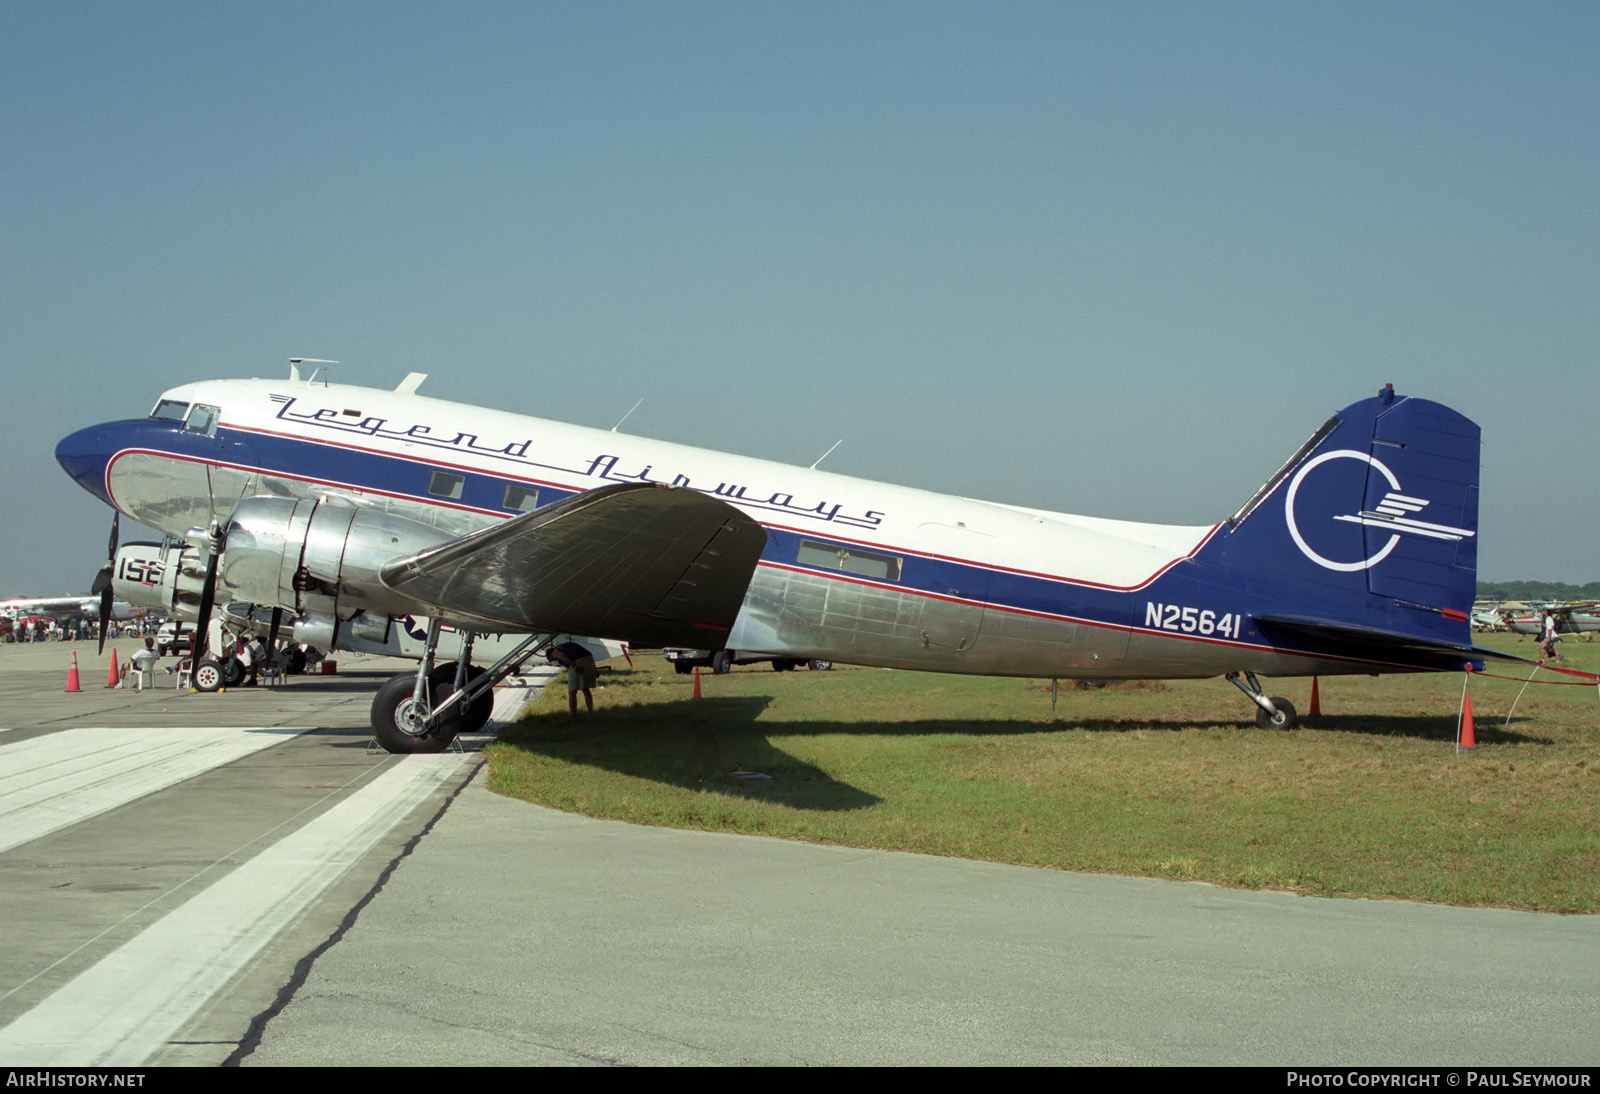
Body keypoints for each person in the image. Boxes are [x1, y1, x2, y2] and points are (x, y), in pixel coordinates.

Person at [546, 640, 598, 718]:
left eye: (552, 659)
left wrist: (574, 666)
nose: (554, 660)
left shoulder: (555, 652)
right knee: (585, 689)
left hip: (578, 661)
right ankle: (590, 713)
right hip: (589, 658)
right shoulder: (564, 647)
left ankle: (573, 715)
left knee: (572, 691)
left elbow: (563, 657)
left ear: (550, 654)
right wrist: (594, 669)